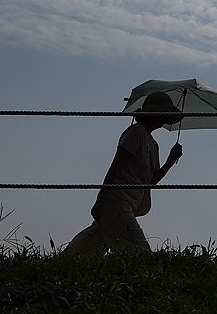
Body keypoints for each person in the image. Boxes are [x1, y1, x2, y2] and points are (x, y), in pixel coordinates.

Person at [63, 92, 184, 254]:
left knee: (87, 248)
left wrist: (170, 161)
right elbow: (116, 167)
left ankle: (59, 265)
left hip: (128, 205)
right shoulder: (136, 132)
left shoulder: (153, 145)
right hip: (117, 202)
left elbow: (150, 181)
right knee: (141, 253)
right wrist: (101, 199)